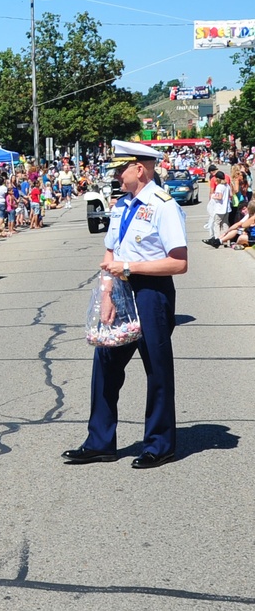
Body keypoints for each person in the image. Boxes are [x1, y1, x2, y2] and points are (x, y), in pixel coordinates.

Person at [62, 140, 187, 469]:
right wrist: (106, 294)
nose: (117, 174)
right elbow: (110, 253)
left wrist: (131, 269)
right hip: (120, 290)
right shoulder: (120, 206)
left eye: (122, 168)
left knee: (156, 369)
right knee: (105, 363)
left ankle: (159, 444)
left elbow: (178, 262)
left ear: (140, 169)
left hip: (151, 292)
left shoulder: (164, 206)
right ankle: (99, 441)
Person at [203, 171, 231, 243]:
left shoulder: (219, 187)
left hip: (220, 208)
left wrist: (213, 196)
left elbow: (220, 197)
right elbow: (230, 195)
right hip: (227, 208)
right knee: (225, 224)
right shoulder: (227, 186)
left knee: (217, 224)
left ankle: (218, 239)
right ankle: (227, 240)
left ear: (218, 178)